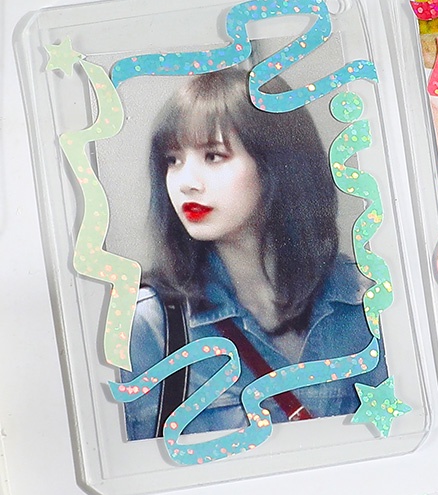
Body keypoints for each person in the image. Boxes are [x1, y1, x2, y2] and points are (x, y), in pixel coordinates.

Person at [121, 68, 386, 440]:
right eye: (173, 160)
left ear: (279, 162)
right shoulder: (147, 328)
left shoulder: (370, 304)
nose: (186, 183)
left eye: (213, 156)